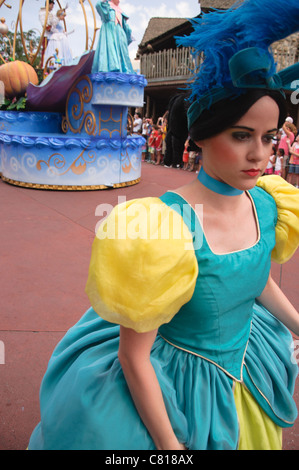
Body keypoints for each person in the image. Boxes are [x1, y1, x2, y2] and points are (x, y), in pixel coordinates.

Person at [28, 0, 299, 451]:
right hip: (173, 390)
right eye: (241, 135)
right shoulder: (163, 228)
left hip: (244, 371)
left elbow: (253, 276)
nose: (260, 155)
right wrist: (170, 448)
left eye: (269, 138)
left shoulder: (267, 204)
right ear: (203, 134)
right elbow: (133, 358)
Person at [91, 0, 134, 74]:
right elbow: (98, 5)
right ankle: (112, 68)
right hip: (109, 33)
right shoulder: (107, 7)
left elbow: (125, 26)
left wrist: (129, 33)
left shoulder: (120, 11)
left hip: (120, 34)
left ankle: (123, 70)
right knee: (111, 50)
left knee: (123, 54)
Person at [39, 0, 56, 67]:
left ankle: (50, 66)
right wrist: (50, 27)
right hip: (46, 36)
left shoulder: (50, 14)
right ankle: (43, 66)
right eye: (52, 5)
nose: (53, 7)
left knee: (51, 52)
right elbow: (44, 24)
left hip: (51, 36)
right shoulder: (43, 12)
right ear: (48, 4)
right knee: (45, 51)